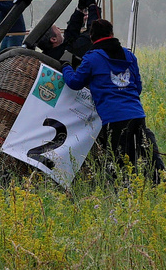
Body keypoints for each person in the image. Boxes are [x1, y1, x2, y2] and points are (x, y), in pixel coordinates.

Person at [62, 18, 158, 182]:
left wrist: (66, 67)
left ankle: (124, 196)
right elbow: (138, 88)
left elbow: (75, 83)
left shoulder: (92, 58)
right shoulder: (129, 55)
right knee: (141, 158)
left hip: (114, 119)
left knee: (119, 164)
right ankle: (152, 185)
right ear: (112, 34)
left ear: (92, 37)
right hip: (137, 115)